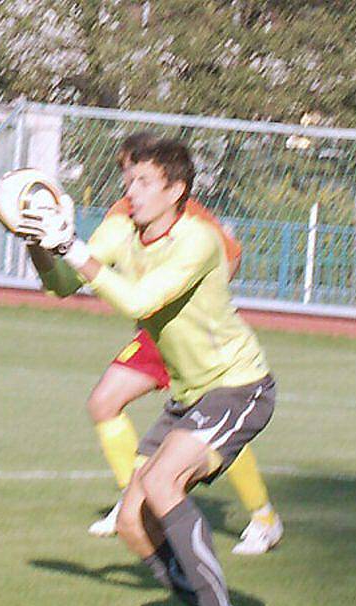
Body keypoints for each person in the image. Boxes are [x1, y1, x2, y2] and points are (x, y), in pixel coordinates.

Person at [18, 137, 273, 606]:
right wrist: (37, 242)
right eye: (129, 180)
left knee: (161, 481)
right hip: (189, 395)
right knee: (134, 523)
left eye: (144, 182)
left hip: (238, 385)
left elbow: (137, 298)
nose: (130, 191)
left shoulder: (197, 240)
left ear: (176, 190)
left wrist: (71, 247)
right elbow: (62, 286)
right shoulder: (121, 227)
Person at [71, 134, 282, 556]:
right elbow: (72, 276)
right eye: (127, 175)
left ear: (166, 183)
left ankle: (263, 518)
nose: (129, 184)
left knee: (209, 425)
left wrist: (191, 302)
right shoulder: (123, 215)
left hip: (188, 337)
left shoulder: (188, 218)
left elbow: (229, 253)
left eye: (138, 174)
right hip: (153, 334)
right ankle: (131, 501)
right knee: (104, 403)